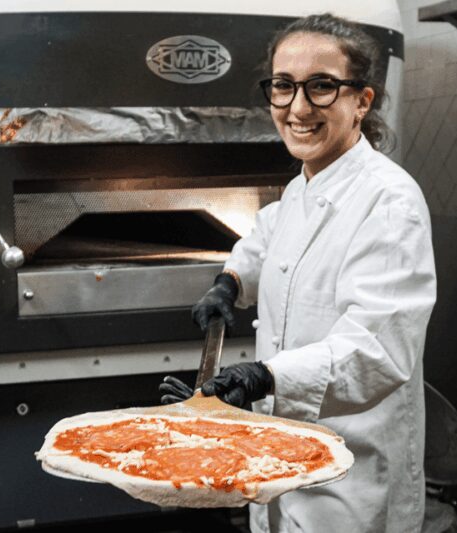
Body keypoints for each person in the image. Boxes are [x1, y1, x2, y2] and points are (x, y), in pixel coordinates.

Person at [159, 13, 436, 533]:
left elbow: (377, 349)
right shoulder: (303, 186)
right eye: (284, 87)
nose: (298, 108)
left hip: (349, 482)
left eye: (322, 87)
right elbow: (268, 237)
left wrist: (263, 377)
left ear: (362, 101)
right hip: (281, 459)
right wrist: (231, 282)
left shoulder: (389, 201)